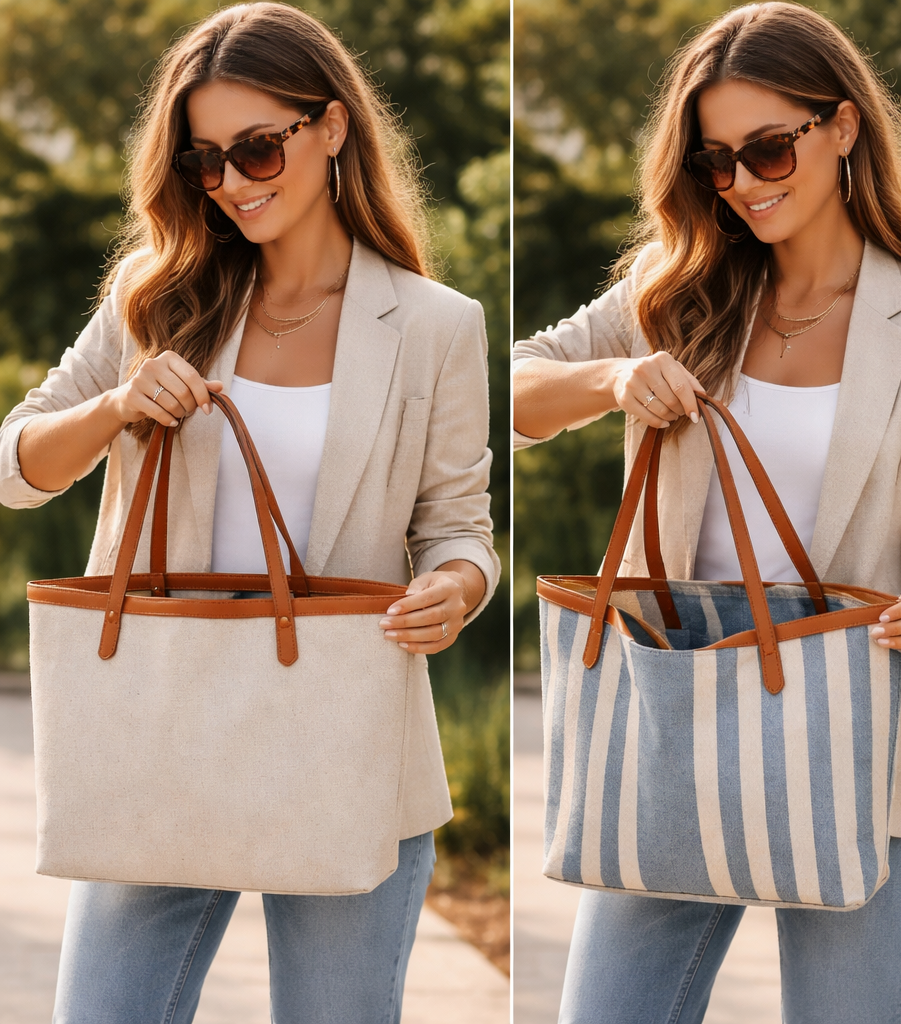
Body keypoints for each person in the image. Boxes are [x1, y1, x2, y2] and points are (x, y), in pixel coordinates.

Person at [0, 4, 498, 1021]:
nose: (231, 181)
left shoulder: (437, 327)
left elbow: (459, 528)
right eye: (204, 161)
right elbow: (12, 467)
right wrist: (112, 406)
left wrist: (456, 588)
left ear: (332, 126)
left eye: (258, 148)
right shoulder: (154, 295)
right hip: (158, 734)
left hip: (347, 744)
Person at [513, 4, 901, 1022]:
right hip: (672, 730)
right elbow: (508, 395)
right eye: (716, 161)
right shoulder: (672, 293)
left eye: (769, 148)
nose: (742, 181)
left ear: (843, 126)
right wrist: (611, 379)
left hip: (860, 747)